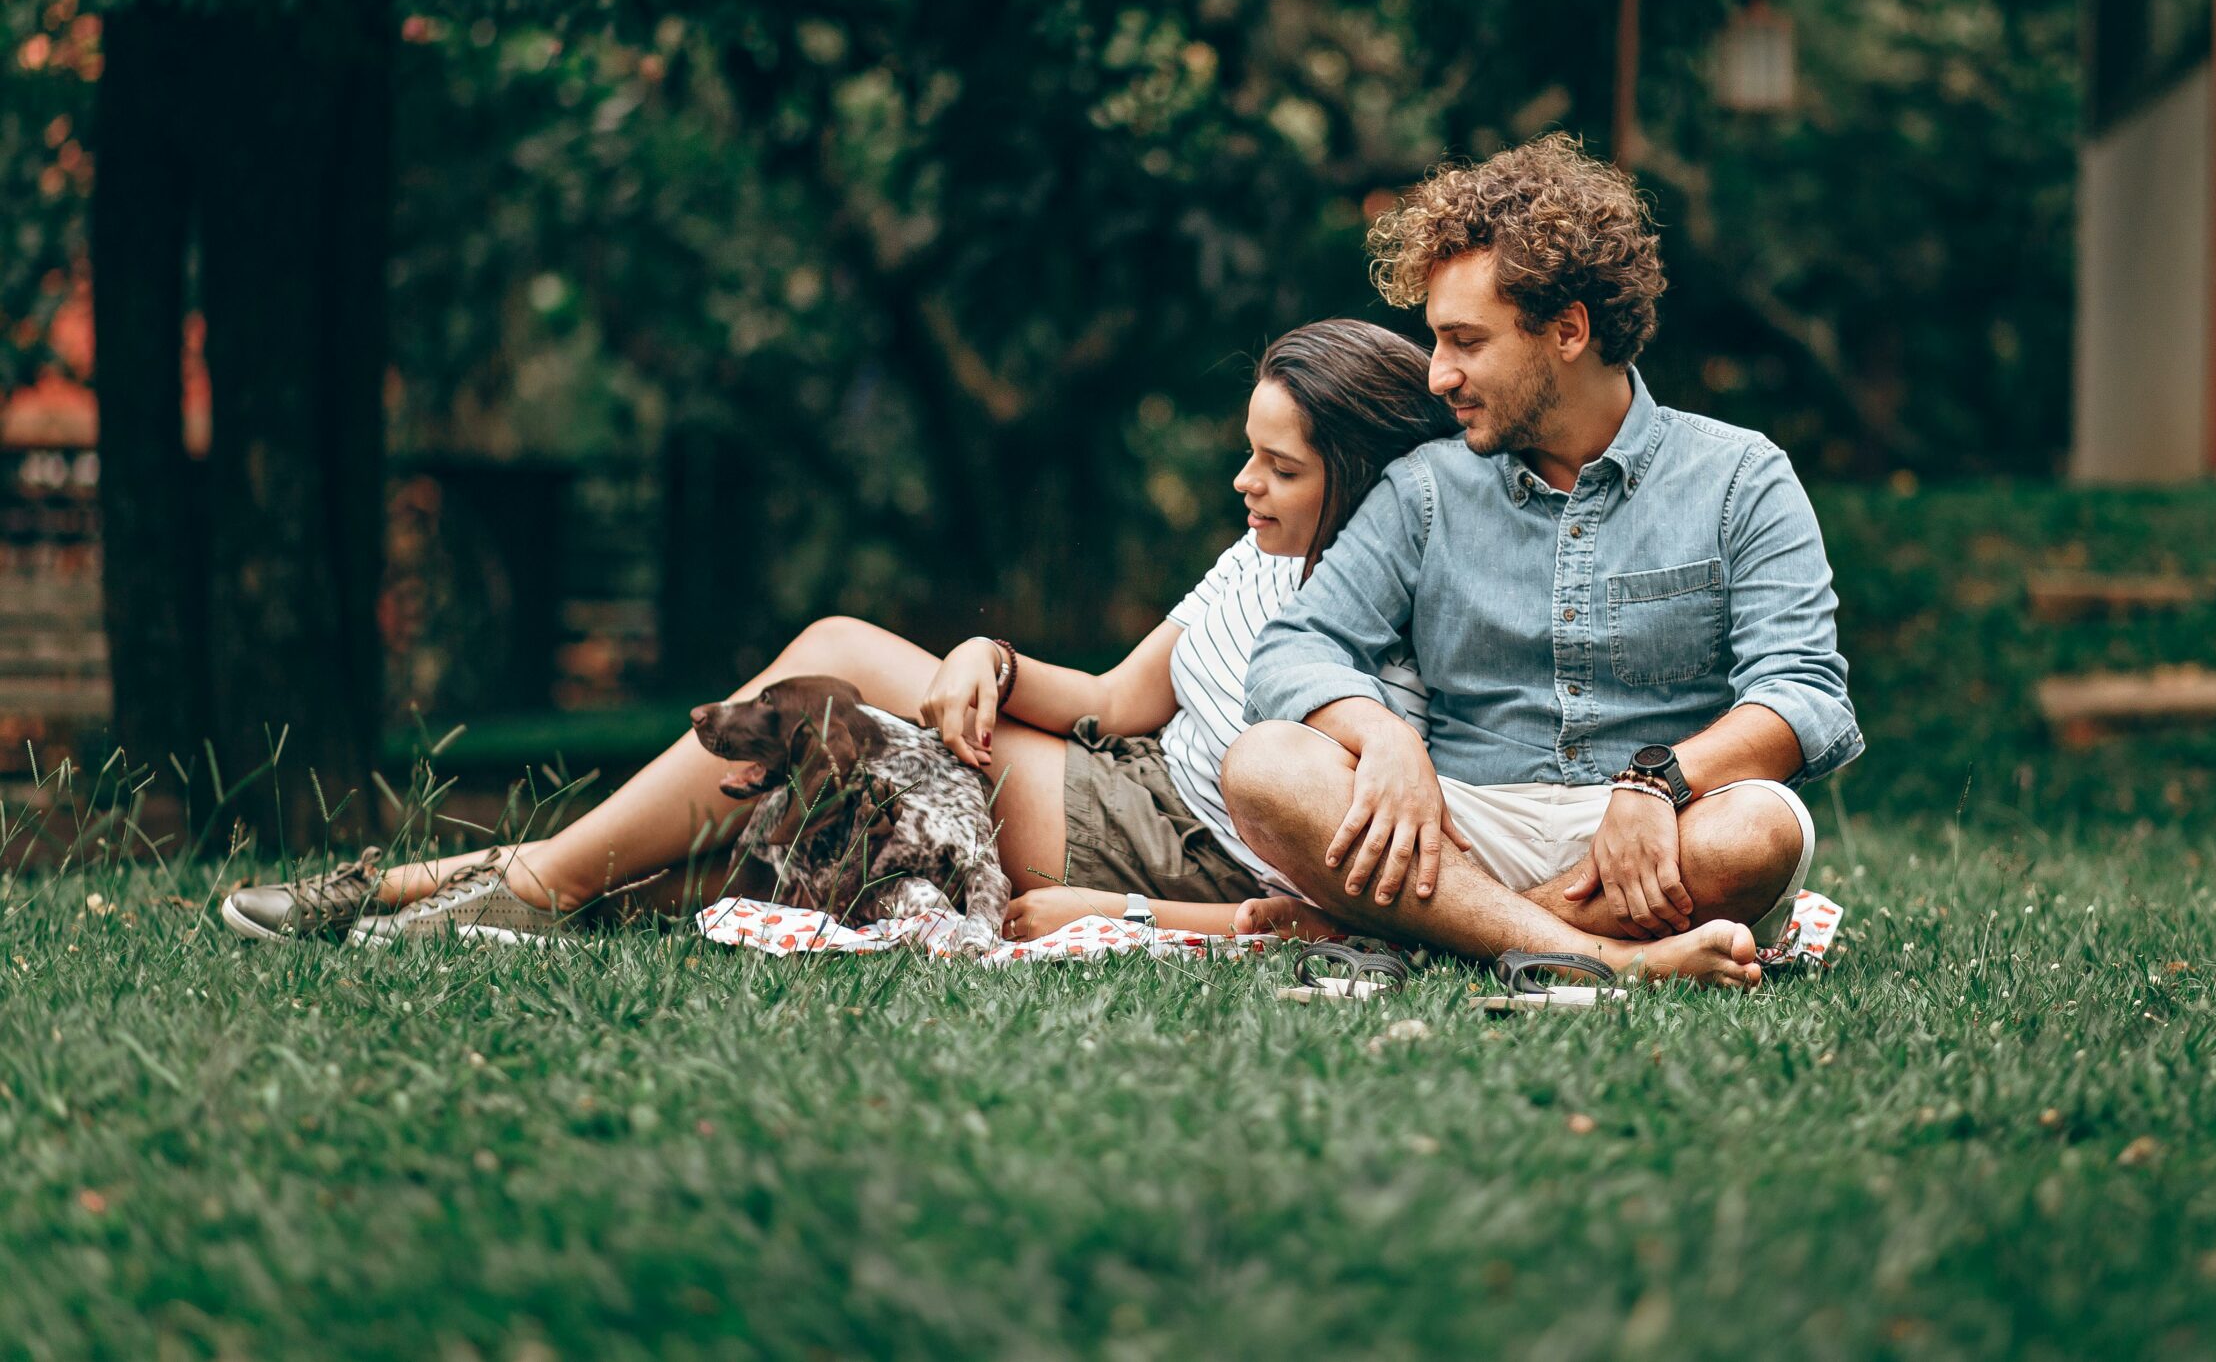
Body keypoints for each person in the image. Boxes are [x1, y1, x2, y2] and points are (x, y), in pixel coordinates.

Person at [221, 320, 1455, 946]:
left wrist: (1163, 919)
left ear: (1358, 477)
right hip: (1113, 771)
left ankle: (486, 885)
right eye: (1246, 450)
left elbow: (1341, 868)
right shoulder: (1261, 554)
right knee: (805, 746)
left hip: (1163, 841)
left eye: (1276, 467)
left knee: (836, 682)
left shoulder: (1397, 621)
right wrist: (997, 662)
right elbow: (1117, 700)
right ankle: (465, 890)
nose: (1242, 482)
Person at [1221, 133, 1863, 989]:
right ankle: (1614, 958)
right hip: (1461, 823)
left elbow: (1803, 690)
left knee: (1761, 832)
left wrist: (1659, 780)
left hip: (1660, 833)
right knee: (1265, 763)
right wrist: (1384, 741)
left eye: (1465, 342)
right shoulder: (1425, 489)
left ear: (1568, 330)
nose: (1438, 374)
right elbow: (1293, 649)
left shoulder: (1740, 476)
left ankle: (1448, 931)